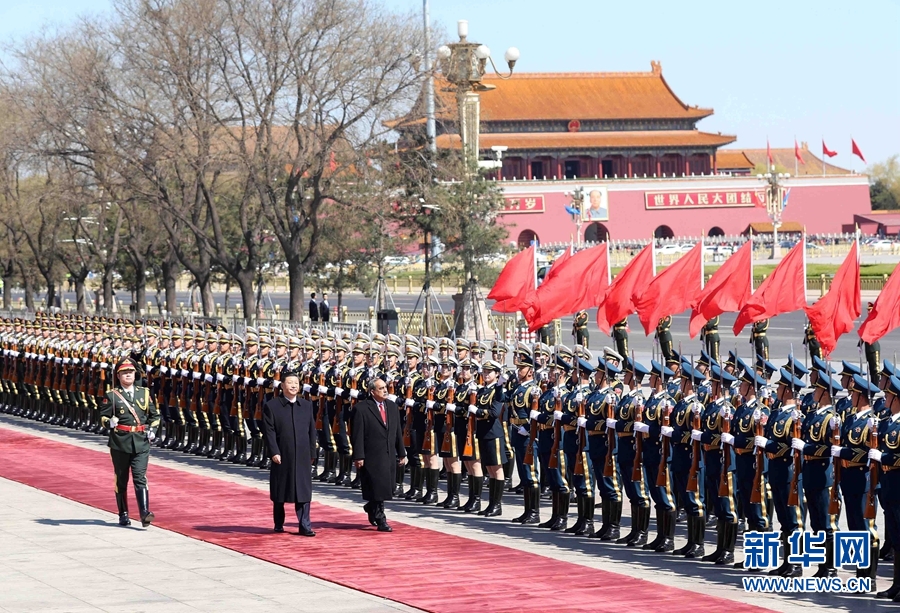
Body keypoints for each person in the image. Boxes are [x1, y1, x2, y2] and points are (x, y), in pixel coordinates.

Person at [100, 357, 160, 528]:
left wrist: (152, 431)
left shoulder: (144, 393)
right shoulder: (112, 395)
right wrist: (108, 422)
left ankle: (144, 512)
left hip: (141, 441)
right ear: (118, 376)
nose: (128, 375)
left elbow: (155, 416)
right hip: (120, 442)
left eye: (130, 372)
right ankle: (123, 513)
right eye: (124, 373)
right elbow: (102, 416)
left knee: (140, 477)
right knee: (121, 478)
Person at [263, 370, 317, 536]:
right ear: (282, 385)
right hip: (282, 454)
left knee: (303, 490)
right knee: (281, 490)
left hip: (302, 454)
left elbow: (311, 430)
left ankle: (304, 525)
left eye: (296, 383)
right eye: (290, 382)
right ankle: (279, 522)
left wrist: (312, 452)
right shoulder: (272, 406)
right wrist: (274, 452)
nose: (294, 385)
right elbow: (269, 432)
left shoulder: (306, 405)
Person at [352, 377, 408, 532]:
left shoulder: (391, 406)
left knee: (387, 488)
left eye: (385, 387)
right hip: (372, 454)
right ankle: (381, 519)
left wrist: (401, 452)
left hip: (389, 453)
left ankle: (371, 506)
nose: (385, 390)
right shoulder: (362, 408)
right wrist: (359, 456)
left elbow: (397, 432)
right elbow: (357, 435)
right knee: (378, 488)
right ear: (372, 392)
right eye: (381, 388)